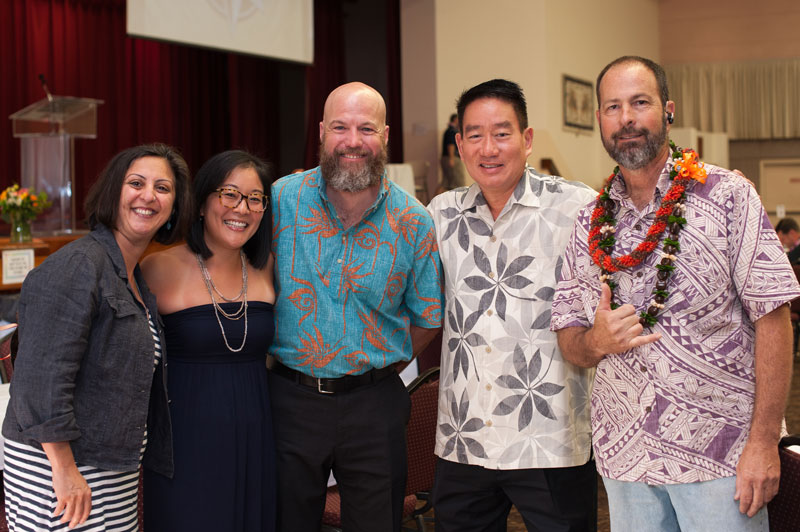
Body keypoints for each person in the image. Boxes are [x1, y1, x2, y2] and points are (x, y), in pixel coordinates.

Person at [551, 56, 800, 532]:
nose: (626, 119)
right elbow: (570, 340)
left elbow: (774, 317)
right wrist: (596, 342)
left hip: (722, 455)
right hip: (626, 456)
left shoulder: (728, 195)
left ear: (667, 111)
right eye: (612, 107)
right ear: (599, 120)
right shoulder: (589, 221)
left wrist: (765, 440)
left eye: (639, 103)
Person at [269, 81, 443, 532]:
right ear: (322, 132)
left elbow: (427, 317)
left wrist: (374, 365)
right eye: (340, 127)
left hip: (374, 405)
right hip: (289, 401)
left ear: (385, 135)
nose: (352, 141)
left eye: (366, 128)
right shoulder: (280, 201)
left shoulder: (414, 221)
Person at [427, 79, 598, 531]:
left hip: (550, 437)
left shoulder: (577, 207)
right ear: (460, 145)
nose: (489, 148)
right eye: (475, 135)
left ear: (526, 139)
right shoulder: (440, 214)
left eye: (502, 133)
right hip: (465, 437)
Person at [2, 144, 192, 531]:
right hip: (57, 463)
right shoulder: (77, 265)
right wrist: (65, 469)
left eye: (163, 188)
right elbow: (39, 381)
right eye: (136, 183)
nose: (148, 196)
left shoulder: (132, 275)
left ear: (174, 206)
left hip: (109, 464)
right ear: (112, 192)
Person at [141, 150, 276, 532]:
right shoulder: (155, 267)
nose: (242, 208)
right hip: (184, 438)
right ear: (201, 203)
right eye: (229, 194)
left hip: (256, 433)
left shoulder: (269, 268)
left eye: (254, 198)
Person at [439, 113, 465, 192]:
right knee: (457, 184)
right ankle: (459, 203)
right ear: (455, 120)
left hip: (446, 158)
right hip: (452, 158)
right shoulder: (452, 131)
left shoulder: (448, 130)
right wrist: (451, 158)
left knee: (445, 184)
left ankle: (432, 202)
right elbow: (451, 145)